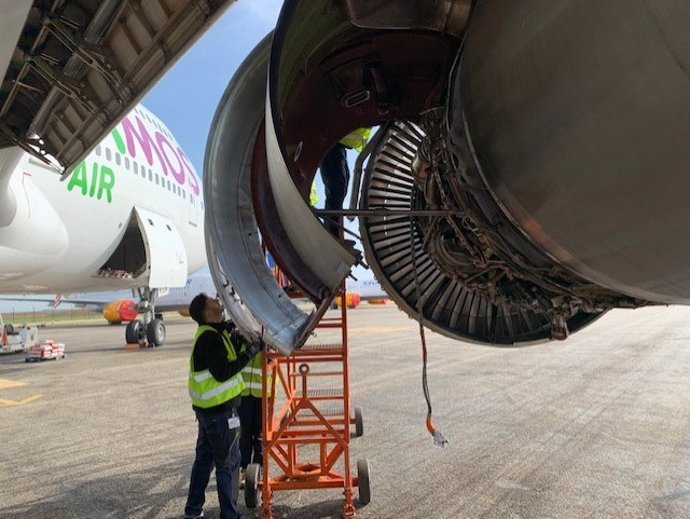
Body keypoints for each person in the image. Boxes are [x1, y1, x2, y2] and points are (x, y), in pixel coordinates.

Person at [184, 293, 262, 519]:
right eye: (213, 301)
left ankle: (193, 510)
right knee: (228, 464)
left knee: (204, 461)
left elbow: (226, 345)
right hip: (220, 414)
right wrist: (250, 353)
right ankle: (230, 515)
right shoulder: (210, 339)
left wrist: (233, 328)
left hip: (208, 412)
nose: (218, 302)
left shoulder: (211, 333)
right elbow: (223, 372)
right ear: (208, 313)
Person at [319, 128, 371, 237]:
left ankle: (335, 232)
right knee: (337, 188)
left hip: (337, 142)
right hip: (330, 136)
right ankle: (332, 234)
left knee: (340, 187)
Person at [237, 344, 272, 488]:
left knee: (259, 433)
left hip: (262, 394)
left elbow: (272, 363)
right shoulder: (241, 341)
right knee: (244, 432)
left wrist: (266, 349)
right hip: (244, 394)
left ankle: (259, 468)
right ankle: (245, 468)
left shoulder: (268, 342)